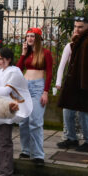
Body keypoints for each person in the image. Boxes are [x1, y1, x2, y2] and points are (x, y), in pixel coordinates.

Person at [0, 47, 32, 176]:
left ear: (9, 59)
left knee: (5, 141)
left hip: (7, 110)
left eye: (1, 59)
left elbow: (6, 91)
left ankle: (6, 173)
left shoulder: (15, 72)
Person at [57, 17, 88, 153]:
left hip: (82, 87)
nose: (77, 29)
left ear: (87, 27)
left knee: (83, 114)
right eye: (75, 26)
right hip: (73, 85)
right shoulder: (78, 41)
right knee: (67, 111)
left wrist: (85, 87)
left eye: (80, 27)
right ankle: (71, 138)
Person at [17, 27, 53, 164]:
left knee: (35, 121)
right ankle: (26, 150)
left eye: (32, 36)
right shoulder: (26, 54)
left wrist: (46, 92)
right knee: (23, 121)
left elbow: (49, 73)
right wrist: (23, 54)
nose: (29, 39)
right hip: (25, 87)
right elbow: (18, 70)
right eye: (27, 36)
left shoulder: (46, 53)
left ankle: (38, 154)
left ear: (37, 38)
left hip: (38, 88)